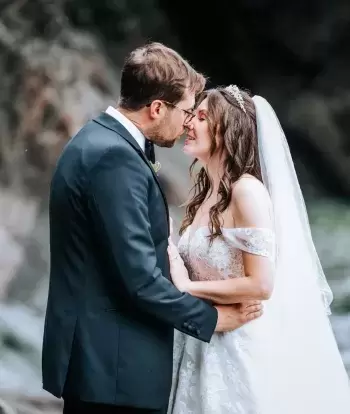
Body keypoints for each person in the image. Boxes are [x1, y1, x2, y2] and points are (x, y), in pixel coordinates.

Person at [41, 43, 263, 414]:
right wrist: (213, 319)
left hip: (104, 364)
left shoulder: (98, 141)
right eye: (186, 111)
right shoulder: (115, 158)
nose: (187, 122)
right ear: (157, 108)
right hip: (113, 369)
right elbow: (139, 279)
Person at [167, 85, 350, 414]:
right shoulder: (205, 194)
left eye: (203, 117)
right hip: (202, 343)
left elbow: (261, 284)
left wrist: (188, 288)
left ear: (228, 129)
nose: (189, 123)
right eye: (192, 114)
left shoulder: (246, 192)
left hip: (239, 345)